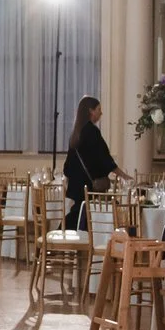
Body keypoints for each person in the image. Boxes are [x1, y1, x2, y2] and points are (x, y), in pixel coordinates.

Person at [62, 95, 117, 229]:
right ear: (91, 111)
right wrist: (123, 175)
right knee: (85, 218)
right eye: (99, 109)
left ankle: (66, 238)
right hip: (88, 185)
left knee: (77, 215)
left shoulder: (76, 132)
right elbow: (104, 158)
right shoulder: (92, 131)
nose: (101, 112)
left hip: (76, 184)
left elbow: (68, 165)